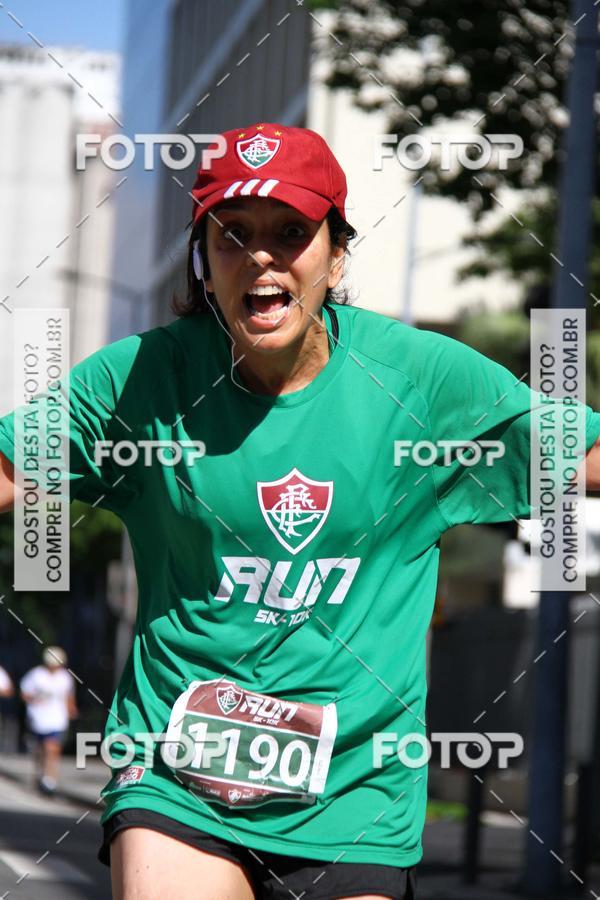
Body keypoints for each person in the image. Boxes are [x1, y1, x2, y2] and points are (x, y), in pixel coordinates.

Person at [0, 121, 600, 899]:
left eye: (291, 232)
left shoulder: (419, 380)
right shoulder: (142, 379)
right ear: (203, 261)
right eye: (232, 235)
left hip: (356, 788)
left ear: (336, 253)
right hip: (176, 773)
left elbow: (582, 456)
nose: (261, 256)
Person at [20, 646, 78, 795]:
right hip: (39, 719)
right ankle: (41, 773)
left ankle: (50, 779)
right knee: (41, 749)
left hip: (58, 719)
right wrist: (34, 700)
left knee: (52, 748)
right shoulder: (36, 675)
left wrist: (71, 709)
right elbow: (25, 693)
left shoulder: (65, 677)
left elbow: (68, 696)